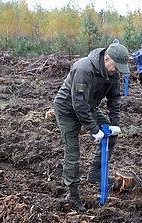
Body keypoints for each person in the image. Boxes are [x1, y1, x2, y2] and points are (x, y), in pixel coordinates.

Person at [53, 43, 130, 212]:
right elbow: (78, 104)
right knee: (73, 153)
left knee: (111, 133)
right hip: (67, 109)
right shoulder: (84, 69)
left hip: (88, 107)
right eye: (117, 67)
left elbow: (114, 99)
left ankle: (95, 173)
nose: (117, 71)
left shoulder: (113, 73)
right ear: (107, 58)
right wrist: (94, 130)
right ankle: (72, 194)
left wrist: (114, 124)